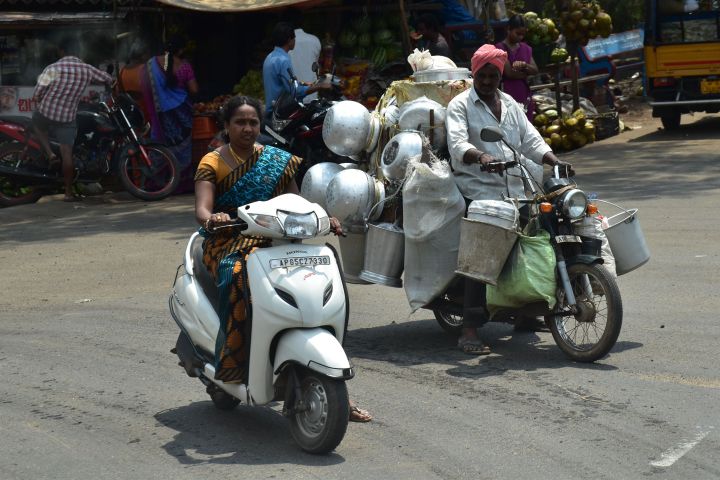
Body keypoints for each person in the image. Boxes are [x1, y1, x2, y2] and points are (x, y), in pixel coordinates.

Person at [194, 95, 372, 423]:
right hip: (229, 240)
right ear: (226, 126)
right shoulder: (213, 162)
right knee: (236, 274)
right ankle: (233, 360)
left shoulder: (276, 159)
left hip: (277, 237)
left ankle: (333, 379)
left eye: (253, 123)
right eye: (240, 122)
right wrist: (212, 218)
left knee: (322, 277)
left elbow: (295, 201)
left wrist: (324, 217)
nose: (248, 128)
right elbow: (203, 208)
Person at [446, 44, 572, 355]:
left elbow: (531, 138)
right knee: (484, 251)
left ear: (501, 76)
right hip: (478, 189)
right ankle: (470, 329)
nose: (488, 81)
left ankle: (527, 313)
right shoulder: (460, 105)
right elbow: (457, 142)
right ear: (474, 74)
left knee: (535, 243)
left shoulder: (511, 104)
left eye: (494, 76)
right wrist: (481, 156)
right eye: (483, 75)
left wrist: (554, 161)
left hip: (518, 186)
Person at [32, 36, 112, 202]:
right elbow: (108, 79)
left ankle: (50, 154)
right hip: (67, 117)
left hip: (46, 113)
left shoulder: (53, 68)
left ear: (61, 51)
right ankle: (68, 193)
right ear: (79, 51)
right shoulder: (86, 69)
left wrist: (41, 101)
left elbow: (37, 93)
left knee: (37, 124)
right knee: (67, 153)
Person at [144, 36, 199, 193]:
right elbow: (194, 90)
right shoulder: (185, 66)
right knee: (182, 147)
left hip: (160, 114)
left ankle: (157, 182)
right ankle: (180, 183)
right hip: (181, 114)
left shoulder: (150, 64)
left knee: (160, 145)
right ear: (181, 50)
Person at [262, 22, 331, 118]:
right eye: (294, 38)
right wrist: (320, 86)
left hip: (271, 110)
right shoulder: (283, 60)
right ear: (289, 40)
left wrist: (305, 83)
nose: (295, 41)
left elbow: (285, 83)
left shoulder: (270, 57)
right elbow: (295, 91)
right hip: (280, 114)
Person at [495, 14, 539, 122]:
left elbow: (535, 70)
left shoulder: (526, 48)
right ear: (508, 29)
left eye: (523, 35)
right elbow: (509, 72)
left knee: (526, 125)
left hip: (524, 93)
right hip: (507, 92)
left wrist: (524, 65)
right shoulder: (499, 48)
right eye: (517, 34)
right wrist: (526, 72)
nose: (520, 37)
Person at [286, 11, 322, 104]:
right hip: (312, 95)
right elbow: (316, 63)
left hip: (292, 99)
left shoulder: (285, 43)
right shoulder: (314, 40)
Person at [116, 39, 151, 120]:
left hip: (131, 116)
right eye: (147, 54)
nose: (149, 57)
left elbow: (118, 93)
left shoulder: (122, 71)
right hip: (146, 114)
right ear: (142, 55)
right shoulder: (146, 69)